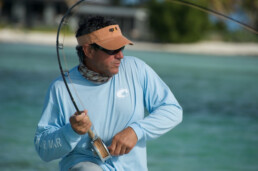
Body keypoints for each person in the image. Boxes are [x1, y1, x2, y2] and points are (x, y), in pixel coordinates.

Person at [34, 15, 183, 171]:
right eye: (112, 50)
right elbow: (43, 150)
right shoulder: (60, 88)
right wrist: (71, 131)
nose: (120, 55)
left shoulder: (136, 69)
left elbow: (173, 110)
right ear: (89, 50)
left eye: (122, 48)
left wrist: (136, 131)